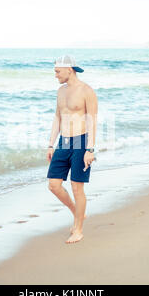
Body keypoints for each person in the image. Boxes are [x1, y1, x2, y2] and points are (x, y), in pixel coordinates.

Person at [46, 55, 98, 244]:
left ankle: (78, 229)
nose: (55, 75)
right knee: (54, 185)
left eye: (57, 71)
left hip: (82, 141)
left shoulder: (87, 91)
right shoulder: (60, 91)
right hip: (64, 142)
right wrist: (51, 144)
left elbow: (92, 120)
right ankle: (77, 212)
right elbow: (57, 118)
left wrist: (90, 149)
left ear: (69, 69)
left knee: (77, 187)